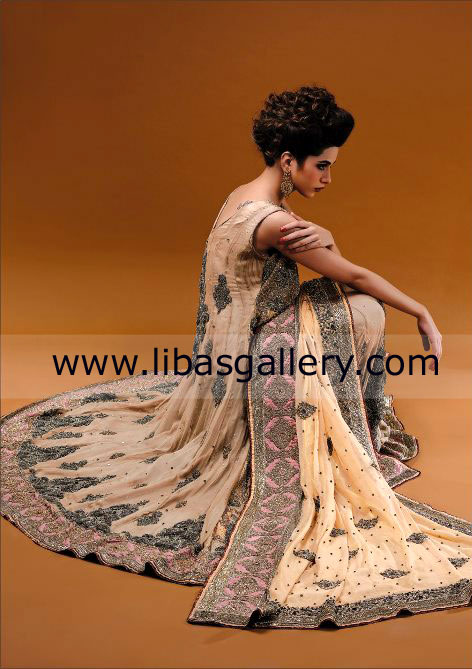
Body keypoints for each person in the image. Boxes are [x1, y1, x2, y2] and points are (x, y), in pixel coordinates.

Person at [1, 84, 471, 630]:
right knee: (365, 308)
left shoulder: (244, 195)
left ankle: (344, 412)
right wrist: (421, 312)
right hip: (255, 350)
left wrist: (325, 239)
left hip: (228, 346)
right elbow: (354, 274)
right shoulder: (277, 223)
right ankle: (338, 417)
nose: (327, 178)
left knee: (343, 300)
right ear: (289, 160)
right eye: (321, 166)